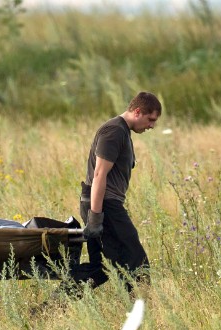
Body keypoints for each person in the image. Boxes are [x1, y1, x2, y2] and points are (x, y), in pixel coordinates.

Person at [68, 91, 161, 293]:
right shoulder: (114, 131)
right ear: (137, 111)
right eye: (150, 119)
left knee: (99, 268)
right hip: (104, 206)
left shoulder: (123, 131)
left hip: (102, 204)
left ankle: (46, 311)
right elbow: (99, 174)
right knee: (135, 260)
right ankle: (142, 311)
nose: (152, 125)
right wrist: (95, 217)